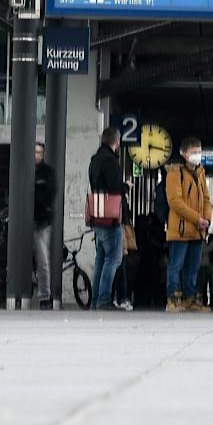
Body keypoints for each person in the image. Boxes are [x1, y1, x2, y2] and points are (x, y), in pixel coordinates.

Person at [164, 138, 213, 312]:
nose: (197, 155)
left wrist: (206, 219)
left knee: (193, 267)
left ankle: (190, 299)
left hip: (198, 231)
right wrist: (197, 219)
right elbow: (175, 201)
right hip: (180, 230)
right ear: (183, 154)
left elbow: (206, 199)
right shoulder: (175, 173)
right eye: (193, 152)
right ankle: (172, 300)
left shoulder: (200, 173)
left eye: (199, 151)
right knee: (176, 265)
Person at [87, 125, 128, 311]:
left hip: (98, 215)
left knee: (101, 259)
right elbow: (114, 187)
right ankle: (104, 299)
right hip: (111, 217)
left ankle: (96, 300)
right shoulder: (110, 161)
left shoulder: (94, 159)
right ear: (117, 141)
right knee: (114, 259)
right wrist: (126, 186)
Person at [31, 141, 59, 309]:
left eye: (39, 152)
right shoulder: (26, 170)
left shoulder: (47, 172)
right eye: (34, 152)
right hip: (30, 220)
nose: (37, 155)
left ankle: (44, 296)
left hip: (42, 221)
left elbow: (50, 194)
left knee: (42, 259)